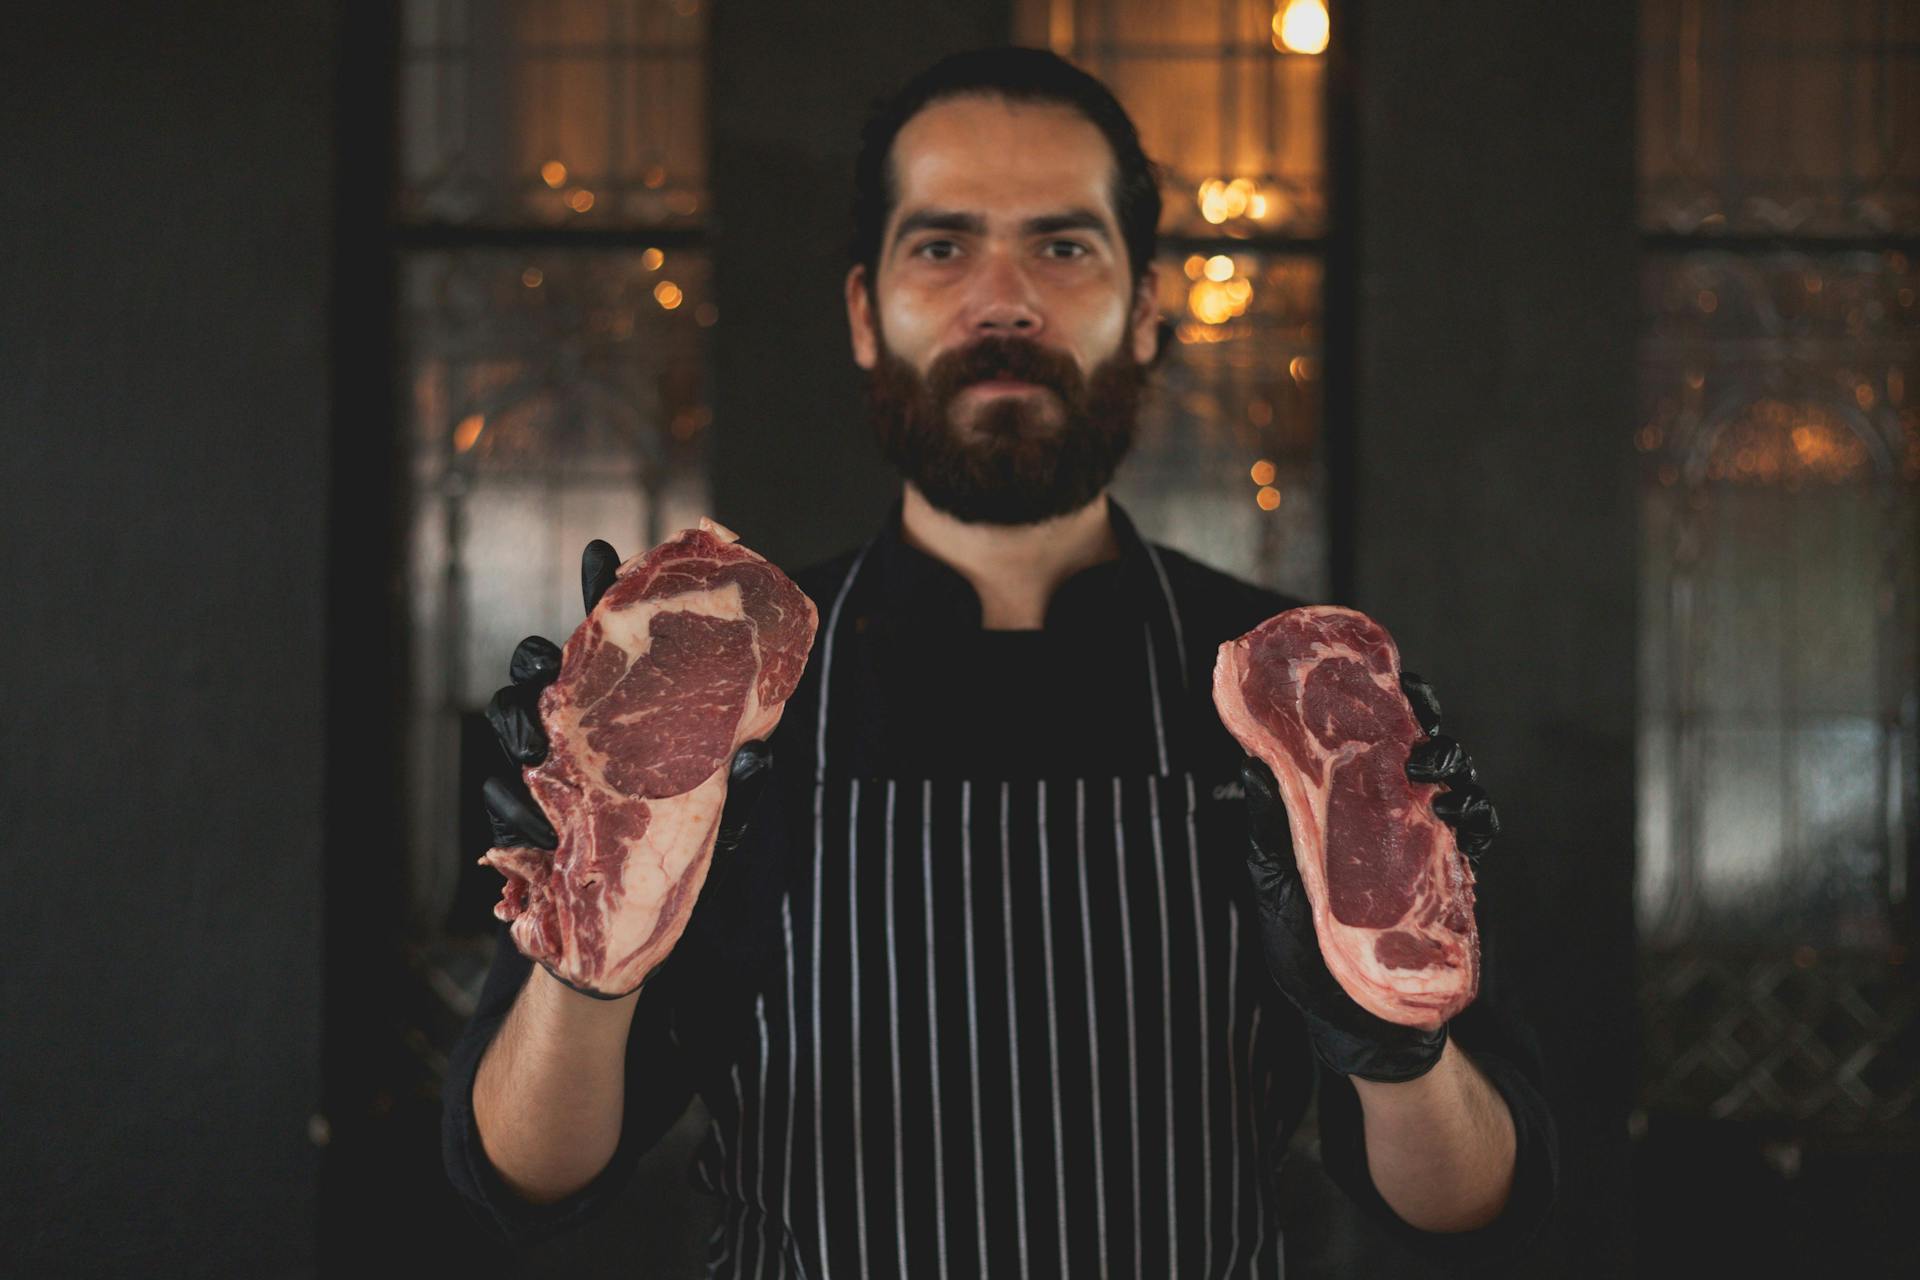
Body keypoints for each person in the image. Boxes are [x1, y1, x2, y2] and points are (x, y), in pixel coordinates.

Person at [444, 46, 1558, 1276]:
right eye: (943, 246)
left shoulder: (1293, 695)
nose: (1005, 298)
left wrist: (1384, 1041)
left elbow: (1465, 1199)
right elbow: (522, 1169)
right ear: (866, 313)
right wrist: (584, 948)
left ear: (1146, 308)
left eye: (1065, 246)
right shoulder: (714, 687)